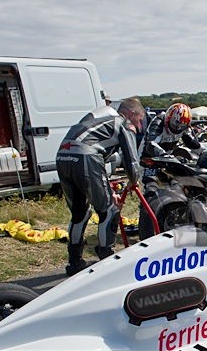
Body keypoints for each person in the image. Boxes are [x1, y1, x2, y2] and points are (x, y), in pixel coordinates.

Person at [56, 97, 144, 275]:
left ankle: (74, 262)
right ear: (130, 113)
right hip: (86, 156)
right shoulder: (122, 122)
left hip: (63, 155)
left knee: (79, 214)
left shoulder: (98, 118)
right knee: (109, 212)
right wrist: (134, 181)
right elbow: (132, 160)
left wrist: (108, 191)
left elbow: (96, 159)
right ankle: (107, 264)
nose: (140, 125)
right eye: (140, 119)